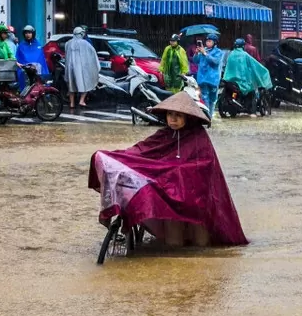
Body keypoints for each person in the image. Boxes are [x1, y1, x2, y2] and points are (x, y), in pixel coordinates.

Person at [89, 92, 248, 248]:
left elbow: (205, 167)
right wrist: (114, 157)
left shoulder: (199, 137)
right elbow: (140, 151)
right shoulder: (163, 135)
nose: (173, 119)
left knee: (201, 243)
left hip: (195, 196)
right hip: (169, 191)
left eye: (178, 115)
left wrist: (176, 171)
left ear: (188, 117)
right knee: (173, 241)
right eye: (170, 114)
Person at [223, 38, 272, 109]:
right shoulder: (245, 55)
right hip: (241, 81)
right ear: (243, 45)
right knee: (252, 91)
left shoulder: (231, 54)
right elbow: (255, 64)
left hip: (229, 80)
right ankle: (252, 112)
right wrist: (265, 70)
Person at [64, 26, 98, 108]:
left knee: (71, 85)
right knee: (85, 83)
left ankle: (72, 103)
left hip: (70, 68)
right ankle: (81, 100)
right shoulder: (85, 43)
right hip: (81, 68)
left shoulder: (68, 43)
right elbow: (92, 54)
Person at [193, 33, 224, 114]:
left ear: (215, 43)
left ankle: (209, 116)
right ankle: (206, 116)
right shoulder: (204, 50)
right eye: (207, 41)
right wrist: (196, 53)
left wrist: (205, 54)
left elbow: (215, 62)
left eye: (210, 41)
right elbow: (195, 61)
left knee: (212, 99)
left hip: (213, 79)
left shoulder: (218, 52)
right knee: (204, 98)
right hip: (202, 79)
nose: (207, 43)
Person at [14, 25, 49, 91]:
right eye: (26, 33)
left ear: (33, 34)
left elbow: (41, 58)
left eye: (29, 33)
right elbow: (18, 58)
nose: (28, 35)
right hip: (25, 71)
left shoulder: (38, 45)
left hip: (37, 70)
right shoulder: (21, 45)